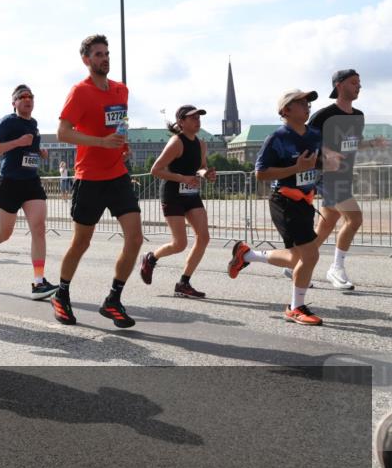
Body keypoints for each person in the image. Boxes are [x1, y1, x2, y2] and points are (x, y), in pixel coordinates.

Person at [53, 34, 141, 328]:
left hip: (117, 174)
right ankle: (61, 294)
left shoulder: (121, 90)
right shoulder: (80, 92)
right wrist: (100, 143)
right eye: (98, 54)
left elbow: (120, 123)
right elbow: (63, 133)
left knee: (135, 237)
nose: (104, 58)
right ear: (86, 60)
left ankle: (113, 299)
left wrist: (121, 142)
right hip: (89, 177)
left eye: (106, 53)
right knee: (81, 242)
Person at [228, 89, 329, 325]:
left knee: (297, 258)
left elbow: (320, 161)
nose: (307, 106)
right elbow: (261, 173)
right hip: (284, 201)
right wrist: (296, 168)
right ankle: (296, 307)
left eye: (308, 102)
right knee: (310, 255)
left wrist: (332, 162)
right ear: (285, 110)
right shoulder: (277, 137)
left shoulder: (315, 134)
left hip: (305, 202)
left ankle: (247, 254)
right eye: (301, 102)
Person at [308, 69, 385, 290]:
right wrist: (326, 152)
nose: (358, 86)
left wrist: (371, 144)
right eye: (353, 82)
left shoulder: (358, 115)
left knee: (326, 225)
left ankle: (297, 261)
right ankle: (336, 268)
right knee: (355, 219)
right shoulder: (323, 115)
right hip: (325, 175)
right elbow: (304, 141)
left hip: (343, 175)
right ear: (339, 85)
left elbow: (352, 143)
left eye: (359, 83)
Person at [0, 84, 56, 299]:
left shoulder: (33, 123)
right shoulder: (8, 122)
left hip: (31, 182)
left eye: (30, 96)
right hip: (10, 182)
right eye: (22, 97)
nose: (27, 99)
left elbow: (28, 150)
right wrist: (17, 142)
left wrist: (39, 151)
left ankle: (39, 282)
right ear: (14, 103)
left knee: (39, 228)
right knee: (5, 233)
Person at [139, 105, 216, 298]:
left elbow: (200, 167)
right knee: (180, 243)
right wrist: (183, 178)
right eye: (193, 118)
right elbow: (155, 170)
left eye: (199, 117)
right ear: (181, 122)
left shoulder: (201, 144)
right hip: (173, 194)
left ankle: (184, 283)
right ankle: (151, 258)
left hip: (191, 194)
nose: (198, 120)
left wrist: (206, 173)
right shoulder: (176, 142)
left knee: (204, 237)